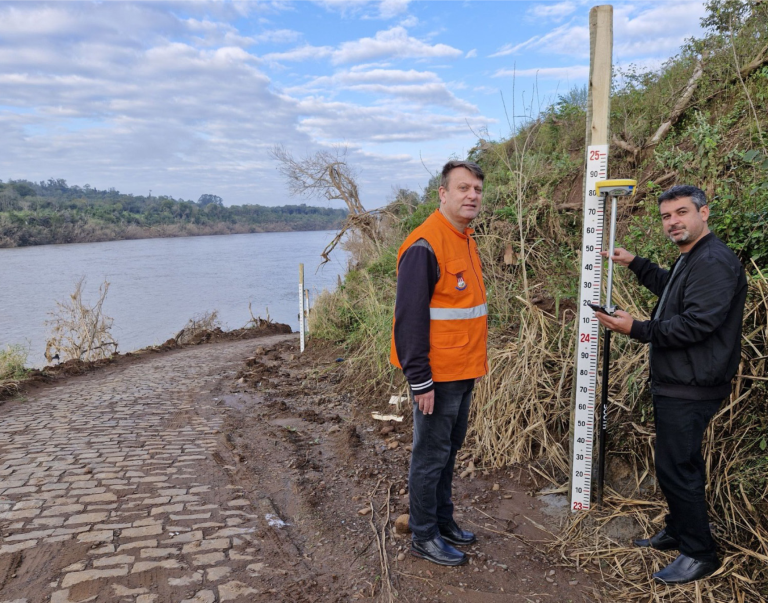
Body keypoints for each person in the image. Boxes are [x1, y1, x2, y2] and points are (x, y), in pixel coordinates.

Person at [594, 185, 747, 585]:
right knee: (674, 465)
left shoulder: (712, 260)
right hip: (679, 380)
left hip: (692, 385)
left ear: (704, 213)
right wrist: (636, 263)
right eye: (666, 216)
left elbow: (698, 323)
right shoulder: (692, 256)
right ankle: (679, 530)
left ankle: (699, 553)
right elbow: (673, 295)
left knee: (678, 468)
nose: (673, 221)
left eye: (681, 212)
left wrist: (636, 328)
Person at [390, 160, 489, 566]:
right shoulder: (425, 244)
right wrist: (420, 381)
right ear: (443, 194)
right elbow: (408, 320)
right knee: (429, 456)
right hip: (437, 377)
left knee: (448, 452)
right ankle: (424, 534)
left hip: (463, 371)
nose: (472, 196)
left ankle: (443, 521)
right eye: (463, 188)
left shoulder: (463, 238)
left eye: (477, 189)